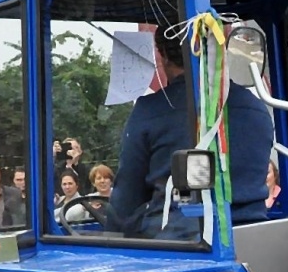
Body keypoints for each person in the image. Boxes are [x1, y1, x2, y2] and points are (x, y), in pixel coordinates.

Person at [112, 26, 274, 237]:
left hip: (180, 246)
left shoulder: (151, 110)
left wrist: (111, 239)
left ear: (163, 55)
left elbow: (127, 198)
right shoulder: (256, 108)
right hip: (255, 236)